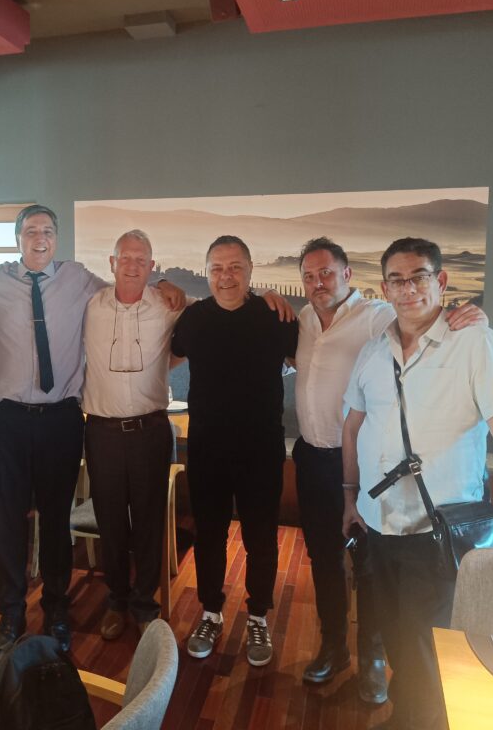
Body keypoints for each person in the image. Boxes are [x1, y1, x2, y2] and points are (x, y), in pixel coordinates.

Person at [0, 205, 187, 657]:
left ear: (57, 238)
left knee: (57, 519)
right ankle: (10, 613)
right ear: (18, 238)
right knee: (10, 520)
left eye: (48, 230)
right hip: (8, 419)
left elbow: (132, 289)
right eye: (31, 230)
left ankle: (57, 610)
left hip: (61, 419)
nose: (40, 238)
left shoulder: (80, 280)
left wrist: (164, 283)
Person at [342, 237, 493, 730]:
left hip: (440, 532)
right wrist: (349, 497)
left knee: (432, 644)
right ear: (384, 288)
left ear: (440, 281)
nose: (408, 289)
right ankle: (407, 716)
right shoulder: (373, 352)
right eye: (396, 280)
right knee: (397, 636)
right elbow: (355, 424)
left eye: (419, 276)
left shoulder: (476, 343)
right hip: (380, 527)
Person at [293, 237, 485, 701]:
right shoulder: (302, 320)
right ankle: (334, 647)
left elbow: (424, 316)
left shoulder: (377, 316)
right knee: (325, 559)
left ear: (347, 275)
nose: (318, 283)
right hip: (313, 458)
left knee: (371, 569)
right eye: (309, 276)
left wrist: (469, 316)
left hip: (367, 468)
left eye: (326, 273)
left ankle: (373, 659)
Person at [171, 235, 298, 667]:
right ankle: (210, 612)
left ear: (250, 270)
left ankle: (258, 615)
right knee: (209, 535)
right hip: (207, 448)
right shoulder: (194, 319)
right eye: (217, 268)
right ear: (207, 273)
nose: (226, 276)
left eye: (235, 267)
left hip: (261, 448)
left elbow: (312, 363)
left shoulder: (275, 317)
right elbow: (167, 356)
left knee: (261, 537)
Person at [82, 229, 186, 639]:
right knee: (110, 522)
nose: (132, 265)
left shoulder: (167, 305)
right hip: (102, 432)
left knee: (148, 521)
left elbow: (206, 321)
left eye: (141, 260)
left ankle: (145, 603)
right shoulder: (90, 306)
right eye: (125, 258)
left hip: (150, 431)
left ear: (152, 266)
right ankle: (116, 600)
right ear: (111, 263)